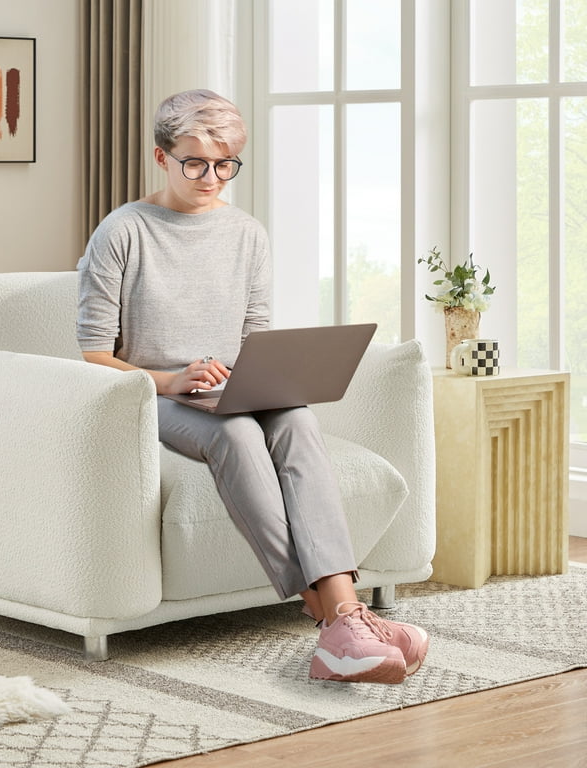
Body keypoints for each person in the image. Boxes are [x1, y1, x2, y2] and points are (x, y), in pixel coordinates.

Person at [76, 88, 428, 683]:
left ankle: (342, 623)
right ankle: (341, 618)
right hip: (148, 398)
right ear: (161, 157)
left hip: (229, 389)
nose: (211, 176)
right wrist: (169, 378)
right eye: (195, 162)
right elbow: (90, 356)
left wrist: (252, 374)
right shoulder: (122, 232)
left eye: (225, 164)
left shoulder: (247, 234)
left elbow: (256, 335)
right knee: (237, 435)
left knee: (296, 419)